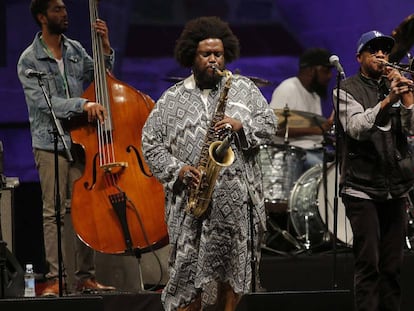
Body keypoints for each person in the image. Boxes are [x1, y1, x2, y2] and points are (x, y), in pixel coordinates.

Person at [142, 16, 278, 311]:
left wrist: (241, 126)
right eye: (207, 54)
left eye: (218, 54)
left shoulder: (242, 88)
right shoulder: (170, 100)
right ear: (192, 55)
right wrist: (178, 170)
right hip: (192, 209)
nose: (214, 60)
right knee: (187, 283)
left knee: (233, 279)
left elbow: (270, 124)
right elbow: (150, 144)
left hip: (236, 209)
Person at [17, 0, 115, 296]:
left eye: (64, 8)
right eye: (57, 9)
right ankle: (57, 277)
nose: (64, 13)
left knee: (85, 209)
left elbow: (101, 76)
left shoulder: (74, 50)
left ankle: (85, 277)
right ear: (42, 16)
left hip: (81, 141)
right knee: (54, 212)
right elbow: (45, 105)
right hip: (50, 142)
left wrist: (106, 49)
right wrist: (83, 105)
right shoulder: (29, 60)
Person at [334, 30, 414, 311]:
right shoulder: (345, 89)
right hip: (362, 188)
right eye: (373, 51)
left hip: (396, 188)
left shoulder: (396, 85)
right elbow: (356, 128)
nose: (381, 55)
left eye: (385, 51)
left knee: (393, 267)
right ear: (359, 57)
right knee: (369, 264)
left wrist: (406, 97)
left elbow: (412, 130)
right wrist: (388, 100)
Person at [269, 48, 335, 172]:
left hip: (315, 149)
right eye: (325, 71)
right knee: (321, 169)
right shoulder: (288, 88)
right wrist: (318, 130)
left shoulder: (315, 94)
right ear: (311, 70)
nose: (329, 76)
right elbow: (274, 127)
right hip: (294, 152)